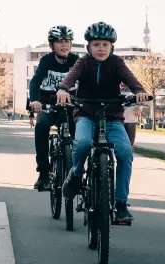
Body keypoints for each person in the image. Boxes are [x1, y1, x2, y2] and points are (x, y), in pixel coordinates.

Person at [58, 22, 149, 222]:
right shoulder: (83, 63)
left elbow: (130, 79)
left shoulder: (117, 63)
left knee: (125, 152)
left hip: (112, 118)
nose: (101, 48)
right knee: (81, 143)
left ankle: (121, 203)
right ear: (89, 47)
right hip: (86, 115)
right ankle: (76, 173)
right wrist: (63, 89)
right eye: (96, 44)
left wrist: (139, 91)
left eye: (105, 45)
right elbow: (71, 77)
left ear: (112, 47)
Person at [29, 26, 79, 191]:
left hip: (71, 105)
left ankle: (77, 173)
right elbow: (35, 82)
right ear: (52, 46)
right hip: (48, 104)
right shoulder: (46, 61)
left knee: (79, 135)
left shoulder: (76, 61)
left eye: (67, 41)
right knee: (42, 126)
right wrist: (35, 100)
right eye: (59, 42)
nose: (64, 45)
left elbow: (85, 82)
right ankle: (43, 173)